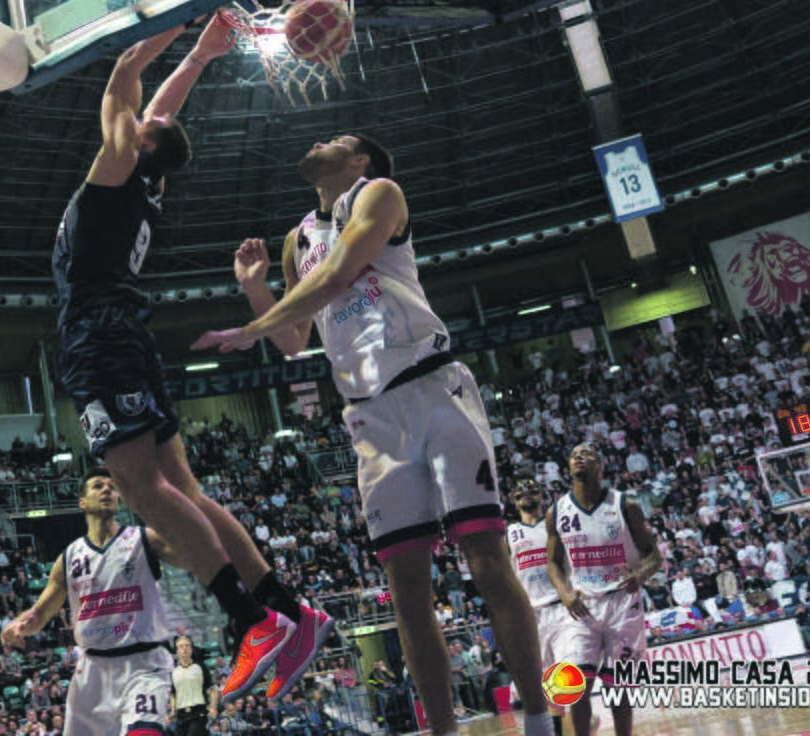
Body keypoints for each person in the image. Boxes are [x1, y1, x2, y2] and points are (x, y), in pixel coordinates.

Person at [193, 134, 551, 736]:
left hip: (432, 389)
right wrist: (257, 289)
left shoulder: (380, 193)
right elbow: (295, 342)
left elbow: (338, 274)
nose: (321, 141)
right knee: (406, 588)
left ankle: (538, 720)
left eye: (338, 139)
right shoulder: (296, 240)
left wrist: (252, 326)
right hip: (370, 417)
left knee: (488, 562)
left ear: (360, 160)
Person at [51, 15, 321, 701]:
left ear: (140, 142)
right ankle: (289, 611)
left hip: (98, 334)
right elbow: (162, 111)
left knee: (143, 491)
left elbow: (124, 76)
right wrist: (200, 53)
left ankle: (251, 619)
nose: (141, 115)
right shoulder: (146, 180)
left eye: (142, 122)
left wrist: (171, 21)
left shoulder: (120, 167)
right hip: (124, 331)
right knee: (184, 491)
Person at [0, 470, 189, 735]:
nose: (107, 490)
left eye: (112, 486)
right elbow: (39, 614)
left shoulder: (143, 539)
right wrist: (19, 625)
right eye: (98, 486)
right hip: (92, 673)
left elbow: (188, 555)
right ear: (83, 502)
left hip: (143, 664)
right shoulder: (70, 557)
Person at [547, 444, 664, 736]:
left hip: (622, 602)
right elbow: (552, 563)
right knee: (576, 685)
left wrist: (641, 574)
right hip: (581, 605)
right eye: (573, 454)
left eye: (586, 454)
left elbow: (654, 555)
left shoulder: (626, 505)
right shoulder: (557, 511)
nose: (578, 457)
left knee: (618, 688)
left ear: (599, 466)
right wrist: (564, 593)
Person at [508, 478, 568, 736]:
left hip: (562, 609)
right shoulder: (509, 533)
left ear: (542, 496)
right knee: (547, 683)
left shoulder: (556, 527)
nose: (527, 495)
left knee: (569, 674)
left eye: (532, 491)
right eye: (521, 492)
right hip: (531, 615)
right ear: (514, 500)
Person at [170, 635, 217, 736]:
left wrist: (212, 707)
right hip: (181, 715)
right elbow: (173, 694)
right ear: (177, 651)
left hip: (198, 712)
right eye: (181, 646)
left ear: (191, 649)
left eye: (187, 645)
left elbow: (212, 689)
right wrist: (173, 712)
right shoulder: (173, 671)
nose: (184, 649)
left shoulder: (200, 667)